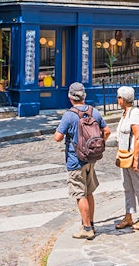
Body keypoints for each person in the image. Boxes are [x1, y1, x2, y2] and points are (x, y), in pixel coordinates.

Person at [53, 82, 110, 240]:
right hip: (91, 159)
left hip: (75, 160)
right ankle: (91, 223)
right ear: (84, 96)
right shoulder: (94, 112)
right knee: (89, 192)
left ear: (70, 97)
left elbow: (58, 137)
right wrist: (98, 146)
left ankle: (86, 228)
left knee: (80, 194)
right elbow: (107, 131)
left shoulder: (69, 115)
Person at [114, 85, 139, 231]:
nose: (117, 100)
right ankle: (128, 215)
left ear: (123, 99)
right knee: (127, 186)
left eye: (118, 97)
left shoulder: (135, 114)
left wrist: (135, 159)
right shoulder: (125, 113)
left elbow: (138, 137)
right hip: (125, 156)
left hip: (135, 156)